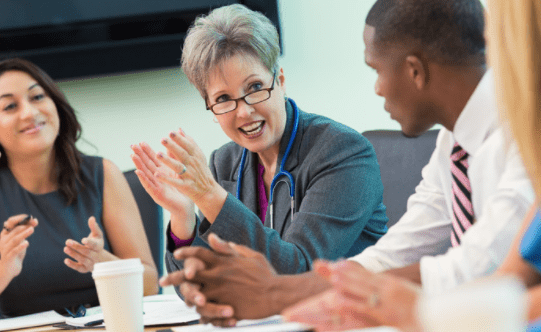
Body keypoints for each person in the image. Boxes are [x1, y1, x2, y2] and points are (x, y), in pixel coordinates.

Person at [159, 0, 534, 326]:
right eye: (224, 99)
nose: (376, 88)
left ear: (415, 71)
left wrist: (279, 292)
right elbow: (396, 252)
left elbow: (479, 264)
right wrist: (184, 219)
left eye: (375, 69)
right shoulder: (453, 144)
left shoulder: (531, 132)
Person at [286, 0, 541, 331]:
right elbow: (511, 275)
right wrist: (362, 296)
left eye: (498, 33)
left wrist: (427, 315)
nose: (489, 51)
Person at [130, 3, 388, 278]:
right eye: (223, 99)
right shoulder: (224, 163)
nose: (244, 111)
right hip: (269, 320)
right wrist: (183, 215)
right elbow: (193, 285)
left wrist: (208, 195)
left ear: (281, 80)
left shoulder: (341, 152)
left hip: (350, 316)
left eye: (254, 87)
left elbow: (297, 269)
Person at [0, 58, 158, 317]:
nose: (29, 113)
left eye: (37, 97)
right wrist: (5, 267)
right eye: (10, 106)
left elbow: (151, 284)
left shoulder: (103, 174)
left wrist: (103, 263)